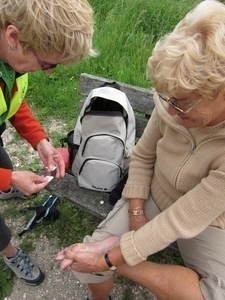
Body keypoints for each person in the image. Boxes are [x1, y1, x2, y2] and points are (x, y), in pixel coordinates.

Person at [56, 1, 225, 299]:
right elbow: (144, 155)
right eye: (166, 99)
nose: (170, 112)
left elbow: (181, 218)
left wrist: (114, 257)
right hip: (156, 194)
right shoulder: (176, 98)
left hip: (210, 220)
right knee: (84, 263)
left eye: (182, 102)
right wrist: (135, 212)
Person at [0, 0, 95, 286]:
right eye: (47, 64)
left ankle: (5, 188)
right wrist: (10, 177)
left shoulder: (10, 53)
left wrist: (39, 140)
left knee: (5, 166)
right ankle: (9, 250)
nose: (49, 72)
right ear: (14, 37)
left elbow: (11, 98)